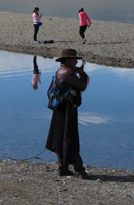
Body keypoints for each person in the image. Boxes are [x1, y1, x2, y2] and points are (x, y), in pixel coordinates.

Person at [45, 49, 91, 179]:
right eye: (73, 59)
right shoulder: (68, 72)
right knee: (72, 138)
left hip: (60, 109)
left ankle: (63, 167)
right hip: (68, 110)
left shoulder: (61, 71)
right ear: (67, 60)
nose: (76, 61)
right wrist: (82, 73)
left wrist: (77, 71)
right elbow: (82, 86)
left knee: (60, 137)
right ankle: (80, 170)